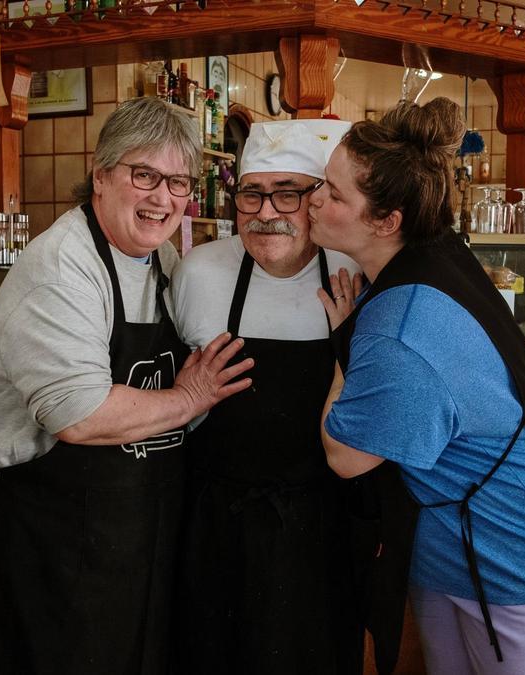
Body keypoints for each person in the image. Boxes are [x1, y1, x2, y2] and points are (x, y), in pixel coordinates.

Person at [309, 98, 525, 675]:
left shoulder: (399, 329)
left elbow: (345, 455)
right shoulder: (434, 253)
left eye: (333, 195)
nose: (313, 201)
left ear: (387, 221)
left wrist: (346, 338)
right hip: (449, 549)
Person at [0, 96, 254, 674]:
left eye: (178, 182)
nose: (162, 198)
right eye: (144, 175)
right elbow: (78, 414)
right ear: (101, 175)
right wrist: (188, 398)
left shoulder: (160, 260)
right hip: (41, 539)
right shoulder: (62, 268)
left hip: (122, 537)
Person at [171, 119, 363, 674]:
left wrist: (349, 340)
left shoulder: (352, 271)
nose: (265, 211)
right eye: (251, 194)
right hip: (215, 524)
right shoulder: (199, 273)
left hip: (320, 526)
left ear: (319, 202)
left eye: (287, 193)